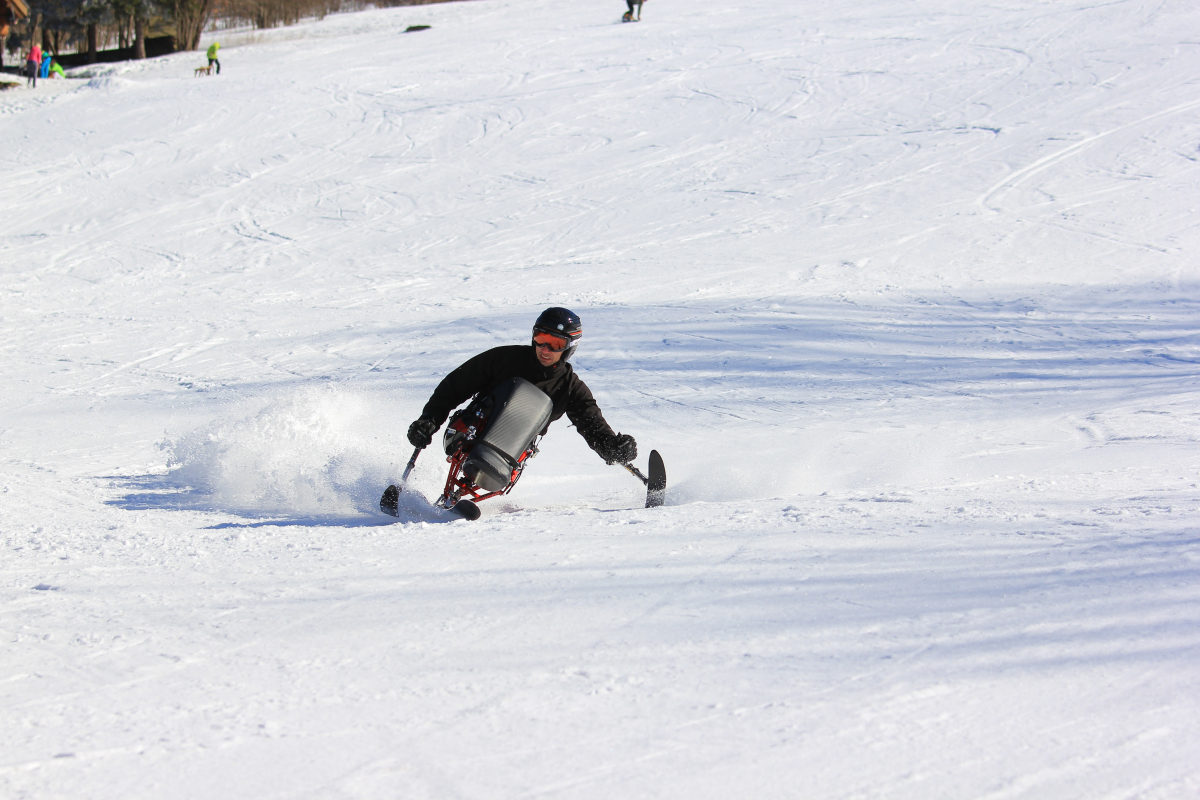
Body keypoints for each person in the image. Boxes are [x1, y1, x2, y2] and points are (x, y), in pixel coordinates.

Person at [406, 307, 638, 468]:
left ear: (569, 347)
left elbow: (592, 425)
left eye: (556, 344)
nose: (545, 349)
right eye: (540, 339)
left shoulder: (570, 388)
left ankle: (476, 482)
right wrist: (429, 420)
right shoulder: (504, 359)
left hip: (509, 454)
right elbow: (454, 387)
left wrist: (614, 448)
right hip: (469, 432)